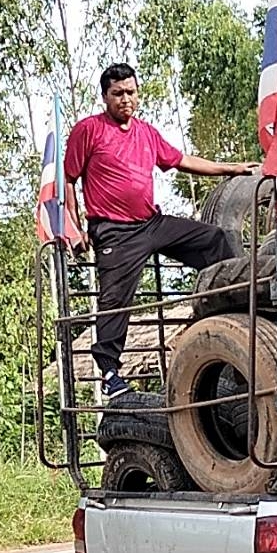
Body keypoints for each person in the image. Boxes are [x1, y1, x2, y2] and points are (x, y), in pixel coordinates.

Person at [64, 62, 254, 399]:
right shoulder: (88, 130)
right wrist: (74, 228)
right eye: (118, 93)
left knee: (214, 241)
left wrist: (231, 168)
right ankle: (110, 373)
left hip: (152, 222)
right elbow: (69, 178)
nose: (126, 99)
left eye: (131, 92)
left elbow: (182, 160)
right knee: (114, 300)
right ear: (105, 97)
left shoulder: (146, 132)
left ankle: (230, 313)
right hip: (114, 231)